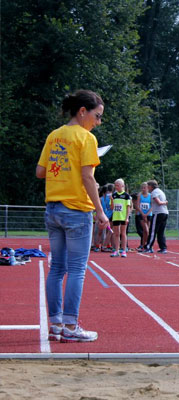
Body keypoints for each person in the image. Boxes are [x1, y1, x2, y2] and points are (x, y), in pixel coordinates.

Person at [35, 89, 108, 342]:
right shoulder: (86, 138)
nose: (97, 123)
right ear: (82, 112)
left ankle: (55, 324)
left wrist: (64, 167)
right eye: (97, 117)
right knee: (77, 270)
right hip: (77, 209)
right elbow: (88, 176)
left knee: (56, 269)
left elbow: (40, 171)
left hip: (53, 208)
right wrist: (100, 211)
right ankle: (70, 326)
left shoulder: (54, 135)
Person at [145, 179, 169, 254]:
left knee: (153, 231)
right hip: (165, 213)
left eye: (148, 186)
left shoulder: (154, 192)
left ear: (151, 186)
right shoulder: (160, 191)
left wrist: (164, 202)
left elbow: (158, 202)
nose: (147, 188)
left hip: (158, 213)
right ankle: (163, 248)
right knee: (161, 231)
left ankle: (148, 247)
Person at [110, 178, 131, 258]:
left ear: (122, 186)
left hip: (123, 217)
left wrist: (127, 217)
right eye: (115, 186)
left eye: (118, 185)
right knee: (116, 234)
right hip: (116, 217)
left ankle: (124, 250)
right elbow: (112, 208)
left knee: (123, 233)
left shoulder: (126, 196)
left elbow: (128, 207)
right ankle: (116, 250)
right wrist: (112, 200)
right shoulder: (114, 195)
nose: (116, 187)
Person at [136, 182, 153, 251]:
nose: (143, 189)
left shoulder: (150, 195)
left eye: (144, 188)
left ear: (147, 188)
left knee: (146, 232)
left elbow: (152, 206)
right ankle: (145, 245)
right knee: (146, 230)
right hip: (141, 215)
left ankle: (145, 245)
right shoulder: (140, 196)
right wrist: (143, 214)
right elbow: (137, 206)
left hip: (149, 214)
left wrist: (147, 214)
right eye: (142, 188)